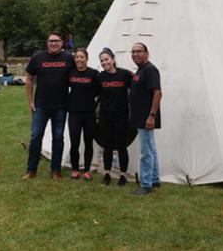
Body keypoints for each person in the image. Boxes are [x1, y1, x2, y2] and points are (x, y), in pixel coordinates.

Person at [23, 32, 75, 180]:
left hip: (61, 106)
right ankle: (31, 170)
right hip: (41, 106)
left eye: (56, 41)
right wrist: (30, 102)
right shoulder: (38, 58)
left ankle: (55, 171)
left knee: (58, 138)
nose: (53, 44)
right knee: (35, 137)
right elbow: (29, 79)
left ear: (62, 43)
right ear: (47, 42)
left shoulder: (68, 59)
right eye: (51, 41)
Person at [96, 48, 132, 187]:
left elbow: (135, 89)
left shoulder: (124, 75)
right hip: (105, 116)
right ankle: (107, 174)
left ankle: (123, 175)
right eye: (102, 61)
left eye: (107, 59)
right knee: (107, 147)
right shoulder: (100, 77)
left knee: (122, 146)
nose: (105, 63)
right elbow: (94, 94)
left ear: (113, 59)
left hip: (121, 117)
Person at [129, 42, 162, 196]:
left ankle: (146, 184)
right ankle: (154, 179)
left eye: (139, 51)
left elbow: (157, 93)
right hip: (140, 116)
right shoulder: (140, 70)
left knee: (146, 152)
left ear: (146, 53)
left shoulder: (150, 70)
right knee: (151, 149)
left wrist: (151, 116)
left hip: (146, 118)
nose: (135, 54)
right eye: (133, 52)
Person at [67, 48, 99, 180]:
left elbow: (98, 91)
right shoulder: (70, 73)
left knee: (88, 142)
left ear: (87, 59)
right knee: (74, 142)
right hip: (74, 113)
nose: (79, 59)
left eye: (82, 57)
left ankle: (87, 170)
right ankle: (75, 169)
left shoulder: (93, 73)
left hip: (89, 113)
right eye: (77, 57)